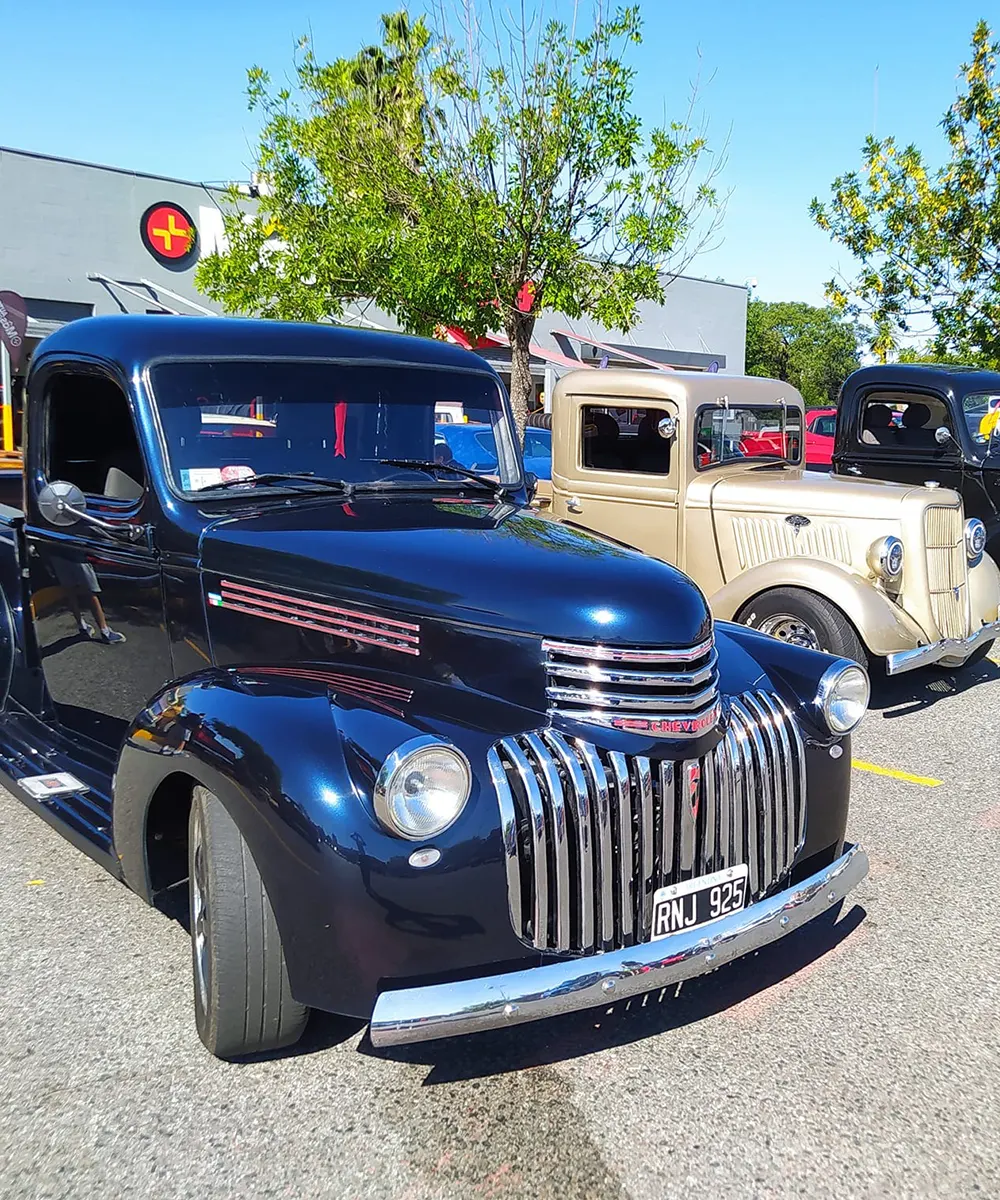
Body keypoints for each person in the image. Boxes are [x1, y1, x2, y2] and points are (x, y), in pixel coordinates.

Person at [51, 556, 126, 644]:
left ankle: (82, 627)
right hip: (76, 555)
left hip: (57, 555)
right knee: (90, 592)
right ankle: (105, 632)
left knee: (70, 592)